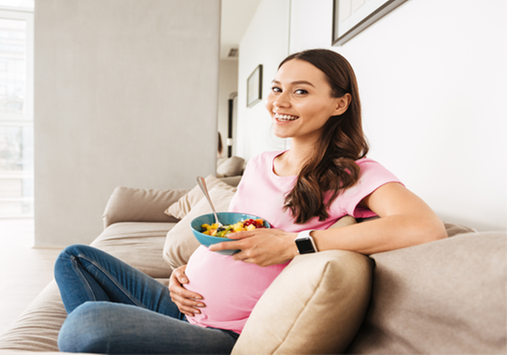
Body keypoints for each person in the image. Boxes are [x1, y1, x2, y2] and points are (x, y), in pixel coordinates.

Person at [53, 48, 447, 354]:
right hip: (184, 305)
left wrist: (297, 244)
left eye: (301, 91)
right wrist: (185, 271)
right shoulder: (261, 163)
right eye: (277, 89)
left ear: (339, 104)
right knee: (73, 258)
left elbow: (424, 227)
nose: (281, 101)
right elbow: (232, 233)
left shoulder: (350, 174)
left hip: (226, 335)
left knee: (88, 324)